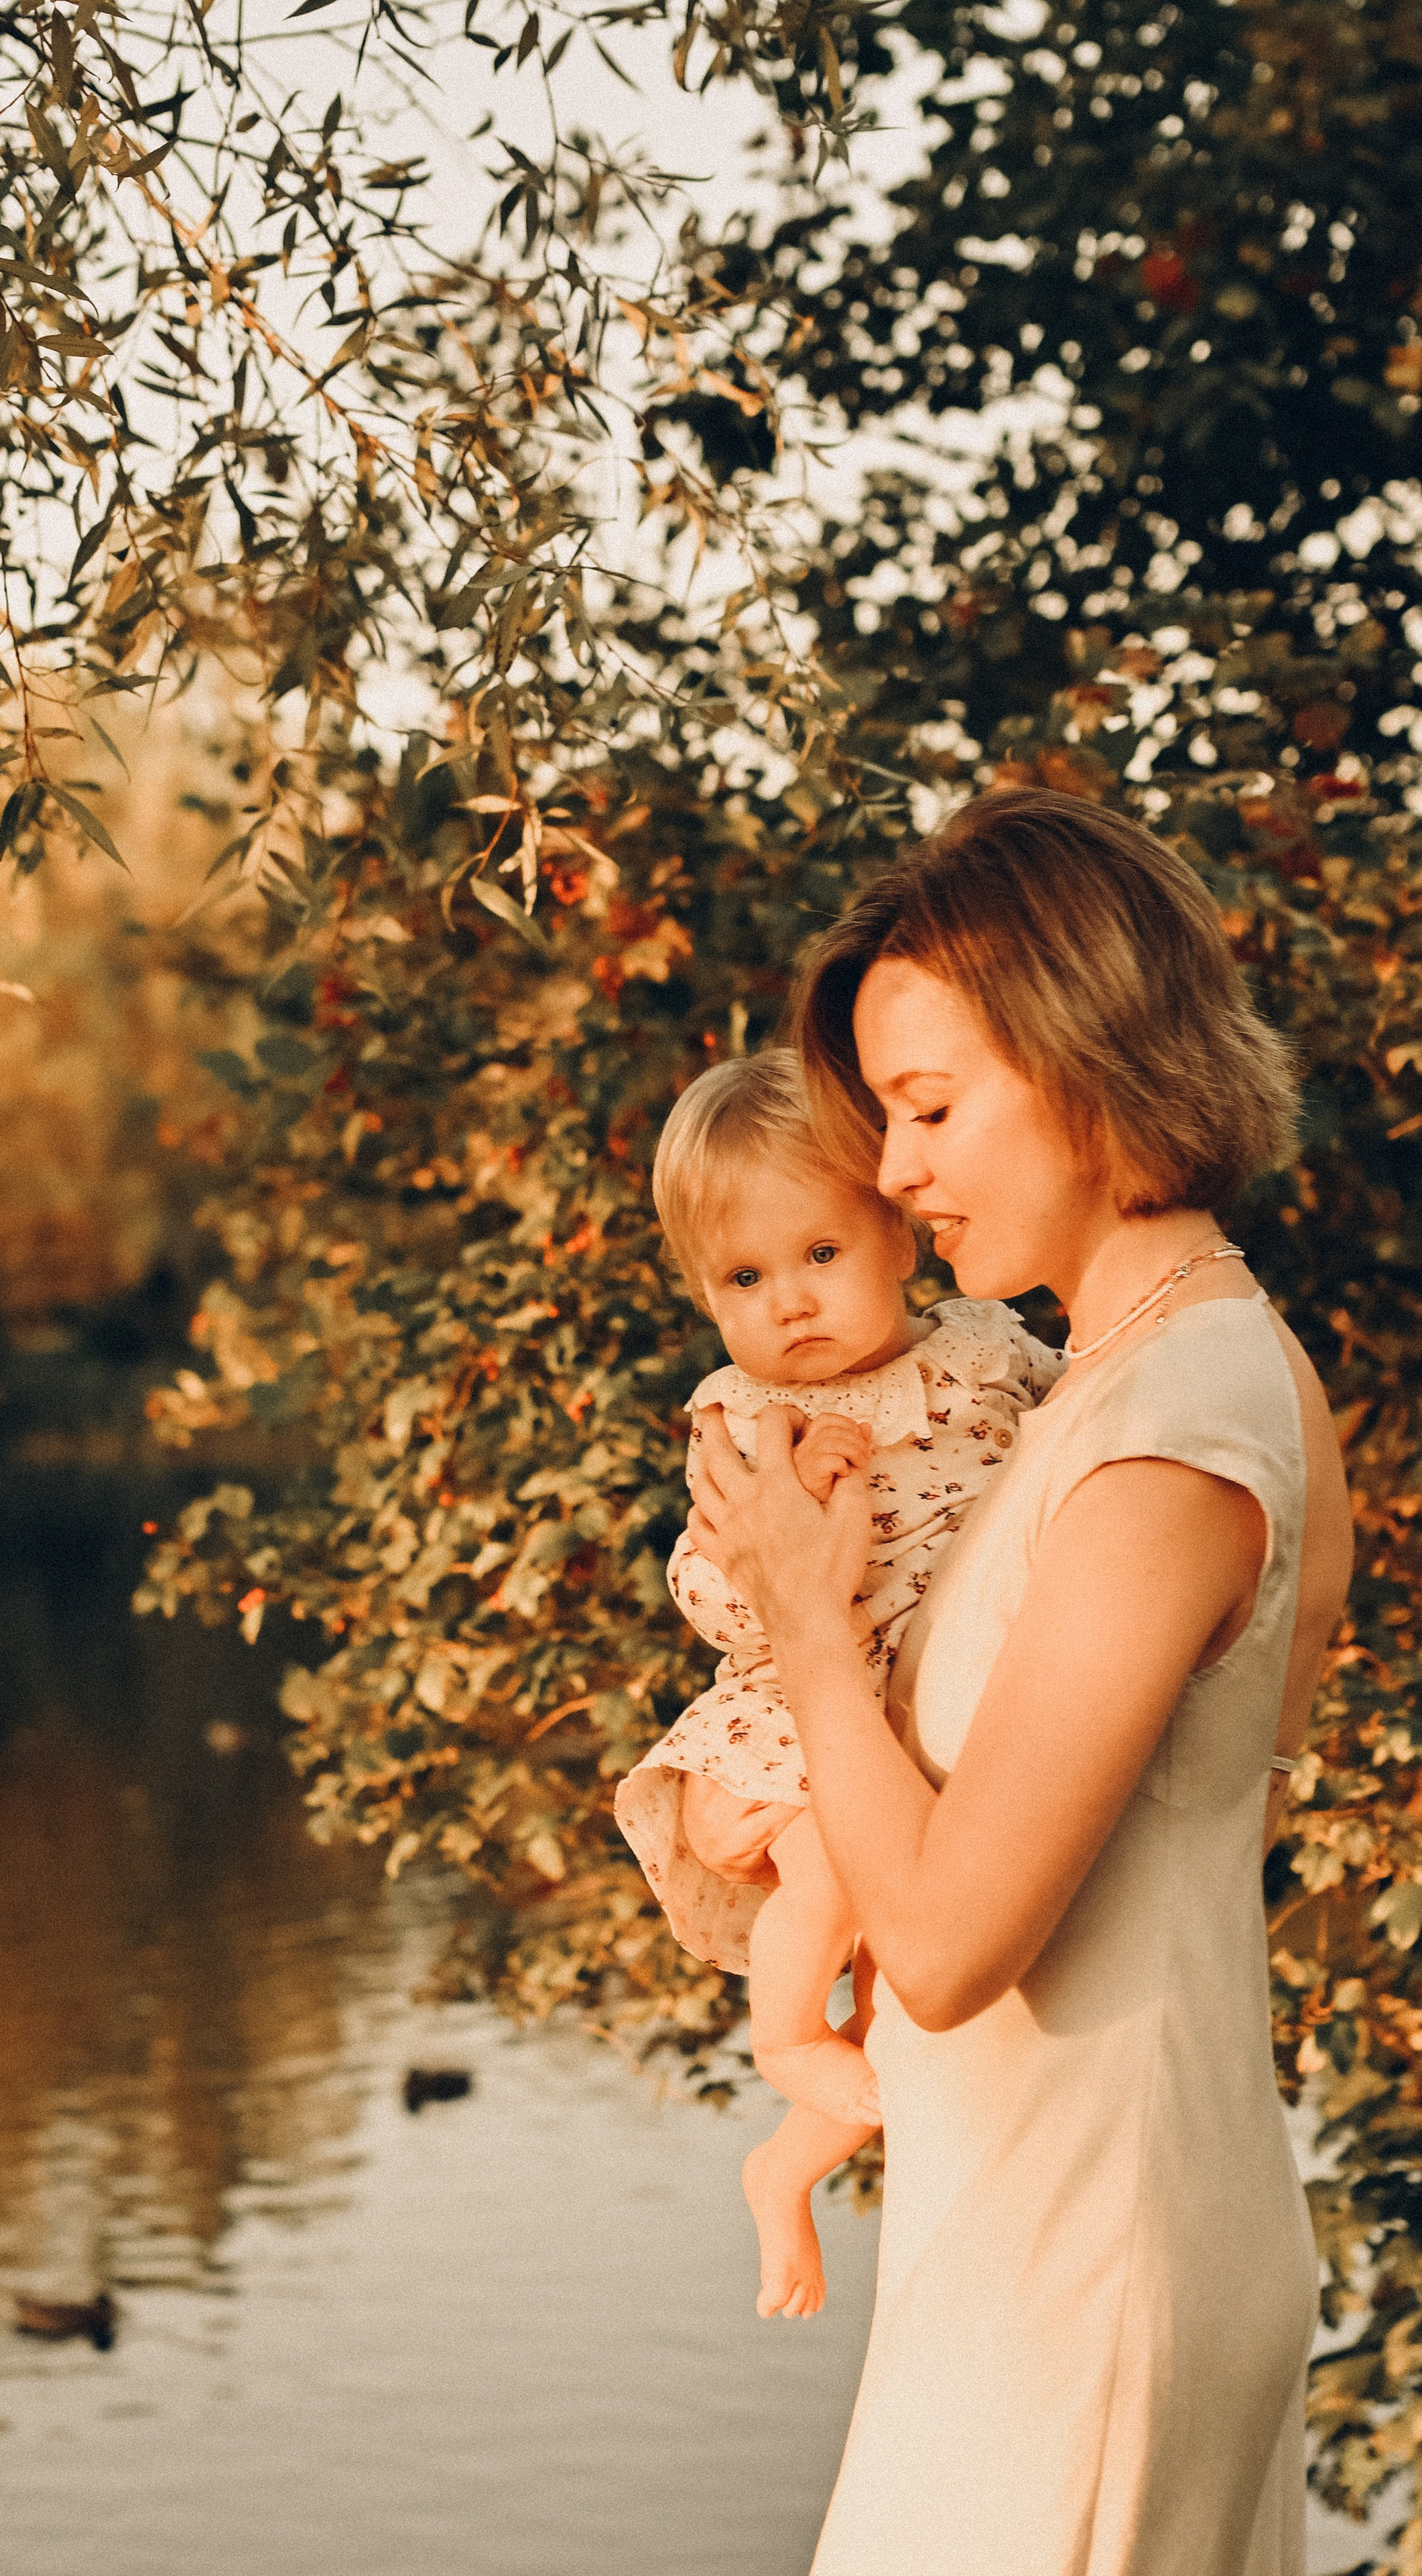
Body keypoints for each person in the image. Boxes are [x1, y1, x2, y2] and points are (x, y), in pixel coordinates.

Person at [683, 787, 1352, 2575]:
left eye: (927, 1107)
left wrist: (808, 1624)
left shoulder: (1169, 1431)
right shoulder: (1125, 1384)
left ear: (1088, 1059)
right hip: (1045, 2222)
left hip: (1088, 2261)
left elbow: (950, 1943)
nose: (893, 1174)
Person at [615, 1049, 1059, 2317]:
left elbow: (1073, 1421)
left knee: (911, 1996)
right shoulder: (747, 1417)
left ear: (898, 1233)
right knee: (827, 1865)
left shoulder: (982, 1346)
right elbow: (708, 1591)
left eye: (820, 1253)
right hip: (811, 1709)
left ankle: (786, 2169)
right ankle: (786, 2034)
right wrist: (778, 1529)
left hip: (936, 1710)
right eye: (746, 1279)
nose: (792, 1303)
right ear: (706, 1294)